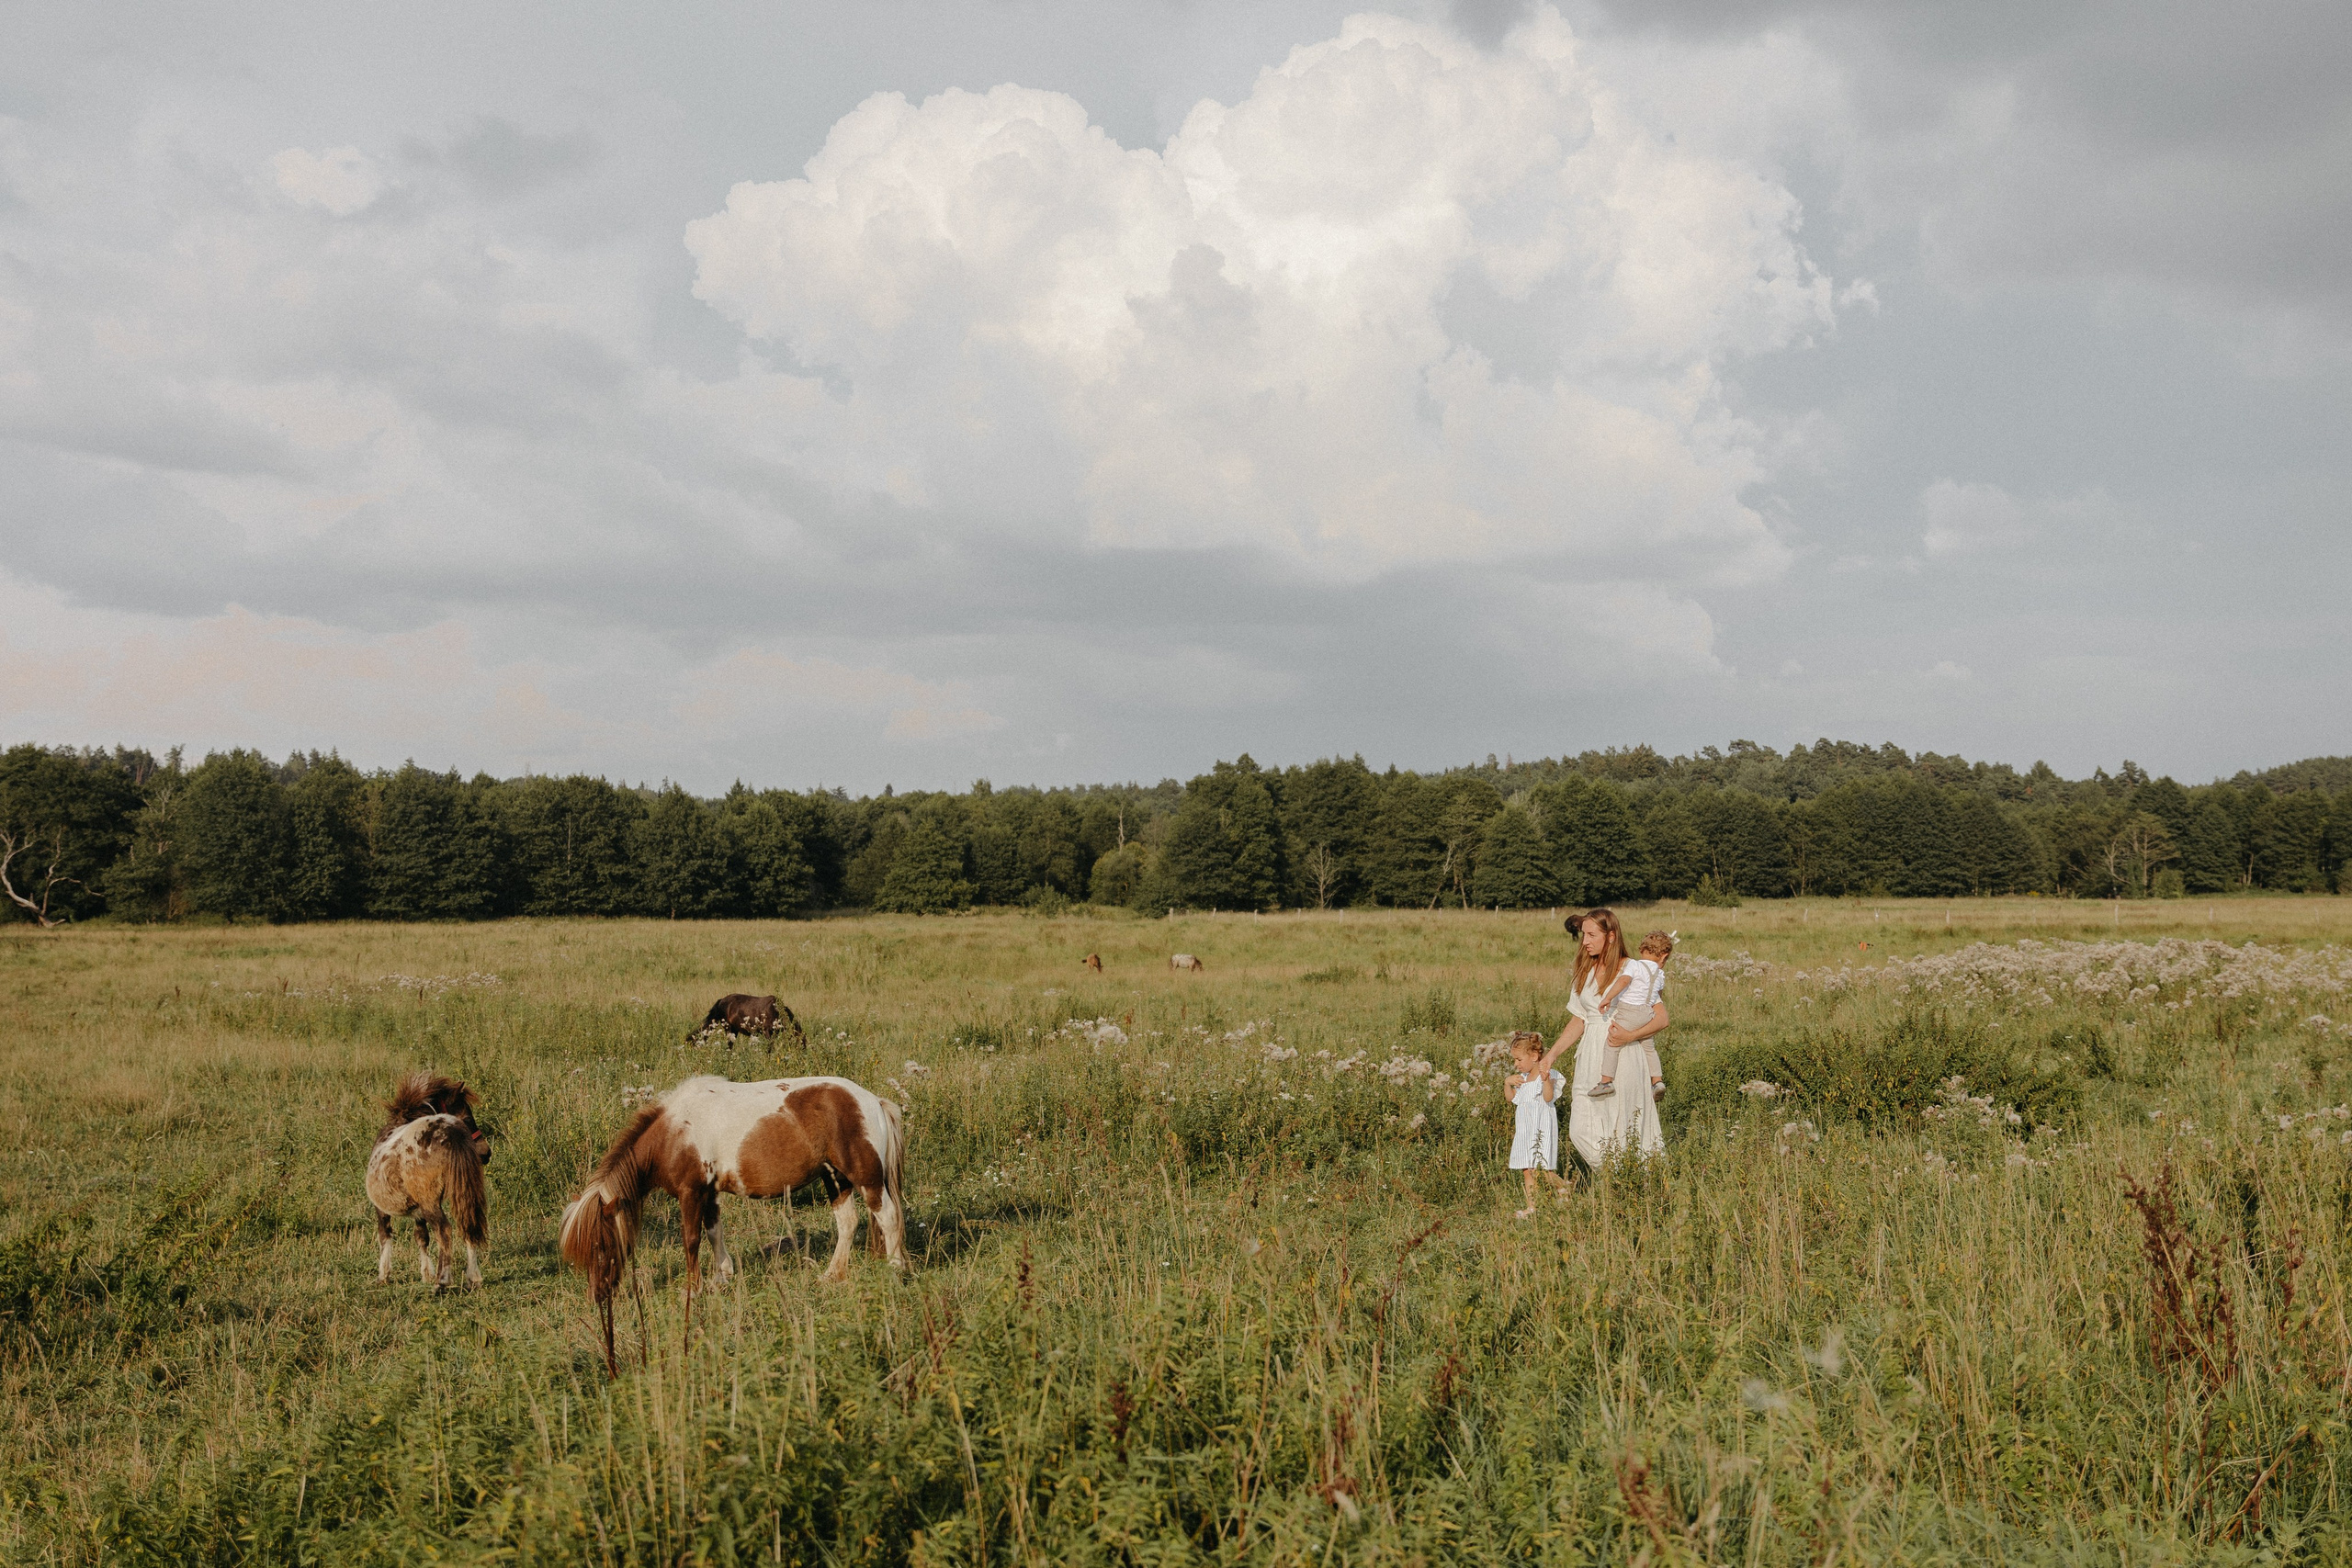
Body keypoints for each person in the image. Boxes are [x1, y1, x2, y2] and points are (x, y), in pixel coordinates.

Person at [1539, 908, 1667, 1168]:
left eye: (1591, 934)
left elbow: (1661, 1019)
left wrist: (1629, 1035)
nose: (1584, 941)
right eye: (1583, 934)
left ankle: (1630, 1186)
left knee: (1623, 1124)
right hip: (1589, 1057)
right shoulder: (1585, 971)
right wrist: (1551, 1055)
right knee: (1581, 1129)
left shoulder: (1633, 968)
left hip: (1624, 1055)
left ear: (1610, 936)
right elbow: (1579, 1020)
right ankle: (1616, 1172)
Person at [1588, 929, 1671, 1100]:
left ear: (1641, 950)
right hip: (1647, 1013)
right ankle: (1657, 1081)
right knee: (1649, 1048)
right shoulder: (1660, 974)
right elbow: (1658, 996)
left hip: (1629, 1011)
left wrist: (1608, 997)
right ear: (1664, 956)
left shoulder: (1634, 964)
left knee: (1612, 1042)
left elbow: (1624, 981)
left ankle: (1606, 1082)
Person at [1502, 1030, 1569, 1216]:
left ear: (1533, 1056)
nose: (1516, 1064)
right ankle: (1532, 1207)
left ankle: (1564, 1186)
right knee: (1527, 1169)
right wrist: (1507, 1084)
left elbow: (1548, 1098)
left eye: (1519, 1059)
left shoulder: (1546, 1075)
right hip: (1525, 1130)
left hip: (1541, 1128)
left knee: (1539, 1169)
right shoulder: (1521, 1080)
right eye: (1514, 1060)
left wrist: (1546, 1079)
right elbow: (1511, 1099)